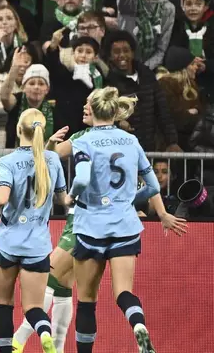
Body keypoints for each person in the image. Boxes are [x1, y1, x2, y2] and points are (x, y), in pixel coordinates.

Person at [63, 87, 187, 352]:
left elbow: (83, 178)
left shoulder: (84, 139)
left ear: (94, 109)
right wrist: (129, 197)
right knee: (123, 292)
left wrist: (71, 196)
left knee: (86, 300)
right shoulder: (131, 141)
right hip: (125, 226)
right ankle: (138, 324)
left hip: (91, 227)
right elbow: (153, 186)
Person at [0, 108, 67, 353]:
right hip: (38, 246)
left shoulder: (8, 161)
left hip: (8, 243)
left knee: (4, 304)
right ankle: (44, 332)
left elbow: (1, 198)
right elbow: (64, 199)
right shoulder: (52, 160)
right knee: (33, 308)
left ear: (19, 129)